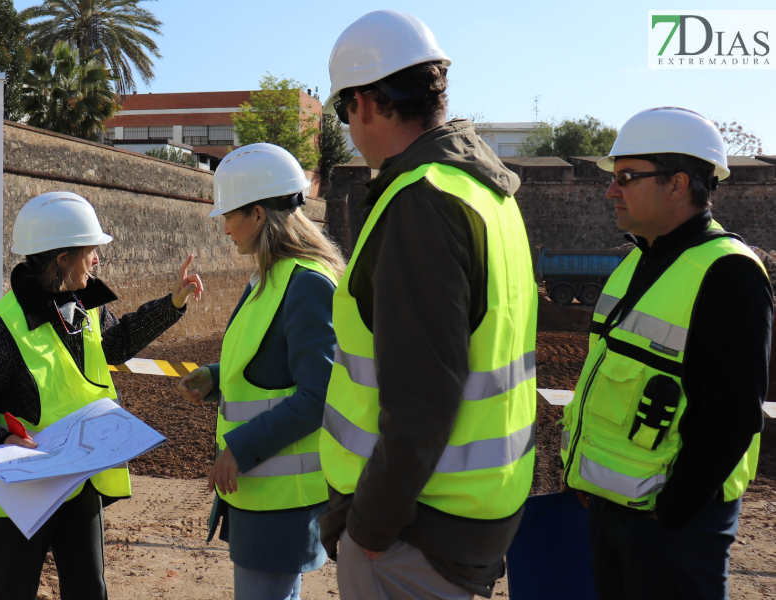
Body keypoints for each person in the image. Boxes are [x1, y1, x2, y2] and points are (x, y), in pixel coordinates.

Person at [316, 10, 538, 600]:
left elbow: (421, 402)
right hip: (475, 511)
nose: (347, 126)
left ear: (364, 102)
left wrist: (367, 528)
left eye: (342, 111)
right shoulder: (488, 192)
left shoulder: (422, 202)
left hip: (414, 532)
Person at [559, 107, 772, 599]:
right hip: (614, 510)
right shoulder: (636, 260)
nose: (611, 190)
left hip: (674, 527)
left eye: (627, 177)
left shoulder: (730, 273)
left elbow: (736, 412)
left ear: (678, 184)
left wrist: (674, 509)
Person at [0, 191, 203, 600]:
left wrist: (172, 304)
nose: (98, 259)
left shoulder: (85, 305)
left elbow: (115, 345)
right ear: (62, 258)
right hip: (21, 495)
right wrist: (2, 440)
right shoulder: (1, 328)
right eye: (91, 251)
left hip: (79, 483)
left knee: (88, 591)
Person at [176, 143, 345, 600]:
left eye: (229, 215)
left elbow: (319, 395)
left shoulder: (306, 282)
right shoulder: (269, 276)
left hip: (281, 498)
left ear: (256, 214)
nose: (225, 228)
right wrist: (213, 377)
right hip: (258, 492)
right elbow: (270, 364)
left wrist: (241, 448)